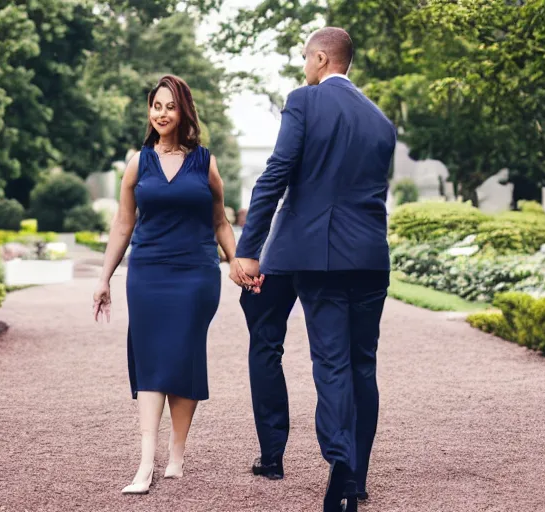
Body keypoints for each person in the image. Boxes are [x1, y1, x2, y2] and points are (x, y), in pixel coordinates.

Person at [233, 27, 396, 512]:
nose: (304, 66)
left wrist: (249, 247)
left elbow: (276, 173)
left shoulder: (304, 101)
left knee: (331, 362)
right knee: (362, 364)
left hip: (322, 258)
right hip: (370, 257)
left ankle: (342, 473)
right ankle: (359, 477)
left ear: (321, 58)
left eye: (306, 58)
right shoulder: (381, 120)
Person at [92, 74, 253, 495]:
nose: (161, 114)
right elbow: (123, 224)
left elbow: (220, 221)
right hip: (147, 273)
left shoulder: (205, 162)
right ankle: (146, 461)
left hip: (196, 274)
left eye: (169, 106)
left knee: (183, 356)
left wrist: (237, 263)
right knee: (149, 359)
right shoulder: (138, 162)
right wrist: (104, 276)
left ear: (184, 111)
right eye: (155, 106)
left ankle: (177, 452)